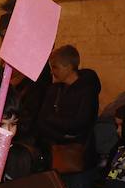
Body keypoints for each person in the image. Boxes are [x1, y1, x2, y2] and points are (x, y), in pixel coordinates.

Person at [34, 45, 99, 176]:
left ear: (68, 66)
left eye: (55, 67)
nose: (52, 72)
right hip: (54, 153)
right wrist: (62, 135)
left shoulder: (87, 90)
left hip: (79, 156)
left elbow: (80, 123)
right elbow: (41, 120)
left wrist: (52, 120)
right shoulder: (54, 90)